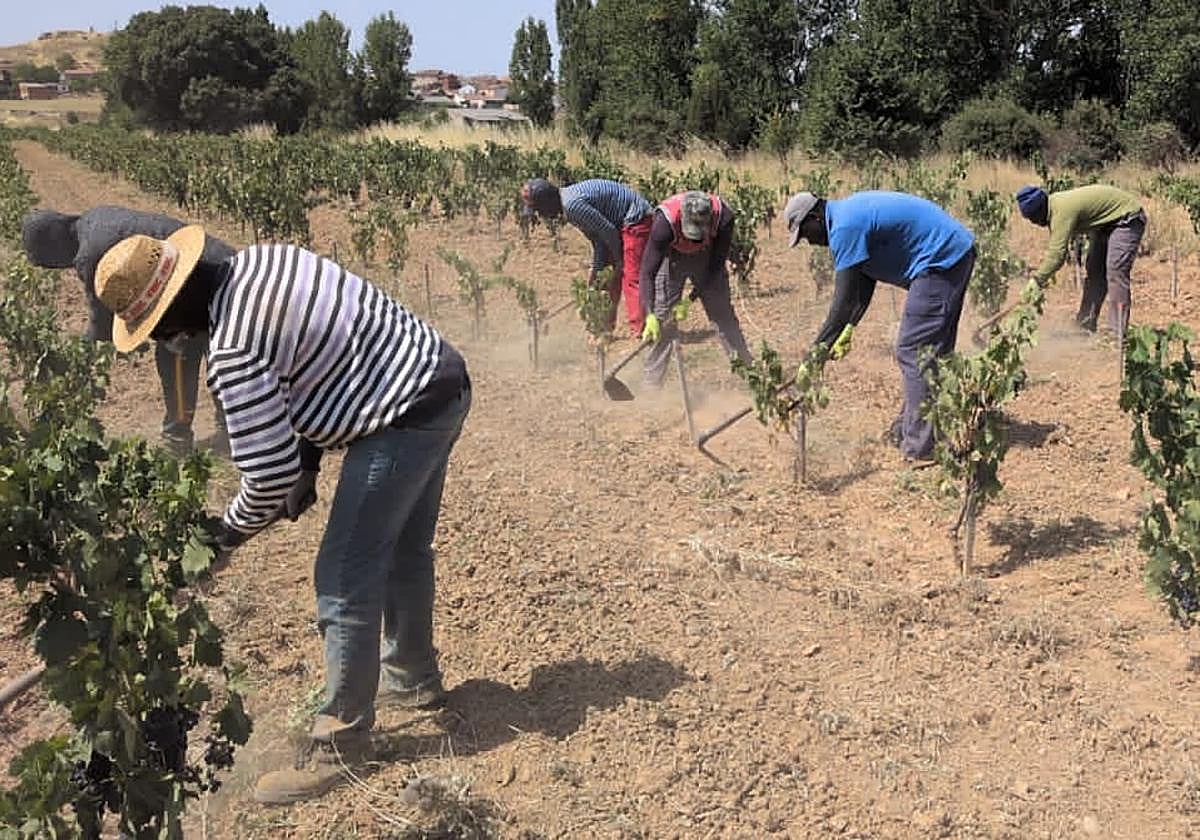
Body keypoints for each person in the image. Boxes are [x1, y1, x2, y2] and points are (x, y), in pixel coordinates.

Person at [91, 228, 471, 805]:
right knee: (402, 552)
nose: (172, 341)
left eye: (163, 328)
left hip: (401, 416)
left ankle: (342, 744)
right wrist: (310, 468)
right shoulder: (265, 260)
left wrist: (222, 536)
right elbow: (322, 361)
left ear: (178, 305)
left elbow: (266, 480)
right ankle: (413, 680)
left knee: (344, 576)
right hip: (440, 378)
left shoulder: (233, 351)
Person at [21, 206, 234, 456]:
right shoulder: (94, 219)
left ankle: (178, 441)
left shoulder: (89, 256)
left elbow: (102, 325)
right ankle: (230, 427)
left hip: (193, 281)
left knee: (175, 357)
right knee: (220, 356)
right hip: (216, 264)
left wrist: (72, 363)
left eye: (49, 263)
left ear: (53, 248)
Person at [785, 190, 976, 462]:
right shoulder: (846, 215)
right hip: (952, 254)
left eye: (806, 234)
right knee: (931, 353)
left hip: (940, 262)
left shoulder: (844, 227)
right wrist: (850, 326)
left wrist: (814, 356)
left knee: (913, 351)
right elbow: (864, 279)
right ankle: (916, 430)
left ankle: (922, 448)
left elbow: (842, 300)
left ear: (815, 217)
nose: (810, 242)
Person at [638, 190, 751, 384]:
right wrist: (649, 314)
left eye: (698, 236)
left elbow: (715, 267)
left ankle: (749, 375)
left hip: (707, 259)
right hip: (672, 258)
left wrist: (689, 300)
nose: (693, 241)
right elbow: (647, 272)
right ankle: (651, 385)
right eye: (690, 234)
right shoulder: (664, 224)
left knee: (722, 315)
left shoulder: (723, 218)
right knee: (663, 317)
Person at [521, 177, 654, 336]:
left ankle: (642, 332)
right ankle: (604, 329)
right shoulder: (568, 204)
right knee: (604, 277)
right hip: (618, 225)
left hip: (636, 219)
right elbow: (598, 240)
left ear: (547, 203)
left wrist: (619, 259)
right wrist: (596, 269)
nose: (540, 215)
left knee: (630, 275)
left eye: (538, 210)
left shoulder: (572, 206)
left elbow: (608, 230)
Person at [1016, 183, 1146, 333]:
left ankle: (1117, 334)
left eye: (1032, 218)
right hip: (1105, 225)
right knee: (1094, 271)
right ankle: (1085, 325)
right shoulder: (1055, 205)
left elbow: (1057, 255)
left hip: (1127, 218)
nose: (1034, 223)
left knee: (1115, 272)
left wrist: (1037, 280)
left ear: (1039, 210)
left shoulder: (1061, 211)